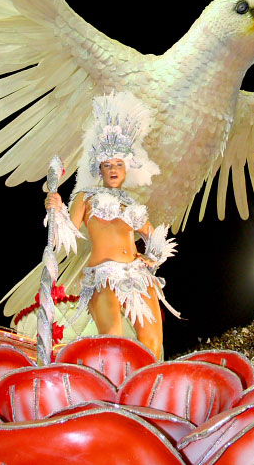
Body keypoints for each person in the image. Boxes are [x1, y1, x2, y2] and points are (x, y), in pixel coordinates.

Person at [44, 92, 180, 359]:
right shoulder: (85, 196)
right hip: (104, 276)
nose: (114, 169)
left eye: (119, 164)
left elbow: (154, 236)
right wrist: (56, 209)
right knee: (114, 339)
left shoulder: (131, 203)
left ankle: (146, 394)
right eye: (108, 165)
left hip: (138, 275)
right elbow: (65, 236)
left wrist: (153, 258)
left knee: (152, 342)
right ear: (100, 168)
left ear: (126, 168)